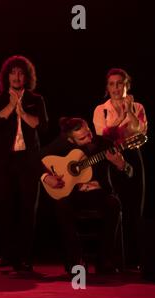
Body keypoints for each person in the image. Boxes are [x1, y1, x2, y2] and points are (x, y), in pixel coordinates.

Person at [41, 117, 133, 274]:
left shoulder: (106, 144)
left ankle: (105, 261)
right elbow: (36, 159)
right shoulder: (62, 144)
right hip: (74, 193)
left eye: (89, 132)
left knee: (114, 203)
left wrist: (122, 165)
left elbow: (131, 173)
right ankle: (76, 260)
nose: (89, 137)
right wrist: (45, 177)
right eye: (82, 138)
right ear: (71, 139)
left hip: (99, 193)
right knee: (61, 205)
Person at [0, 55, 48, 271]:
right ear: (7, 76)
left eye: (21, 73)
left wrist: (22, 110)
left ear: (27, 77)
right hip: (4, 162)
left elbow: (42, 126)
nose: (17, 76)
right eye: (12, 72)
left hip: (28, 161)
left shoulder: (36, 99)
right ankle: (6, 254)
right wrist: (12, 106)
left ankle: (25, 257)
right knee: (4, 206)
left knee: (28, 209)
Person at [93, 68, 148, 268]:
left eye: (120, 83)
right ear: (107, 88)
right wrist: (119, 116)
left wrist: (129, 111)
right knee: (116, 207)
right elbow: (103, 134)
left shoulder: (139, 106)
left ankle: (136, 260)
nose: (116, 88)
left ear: (127, 85)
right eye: (112, 84)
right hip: (109, 157)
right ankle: (115, 259)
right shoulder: (102, 109)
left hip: (133, 156)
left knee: (135, 208)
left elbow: (141, 132)